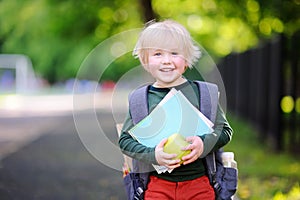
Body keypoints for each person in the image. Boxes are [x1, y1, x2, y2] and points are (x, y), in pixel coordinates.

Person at [118, 19, 233, 200]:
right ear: (145, 61)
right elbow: (125, 140)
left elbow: (225, 131)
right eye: (157, 54)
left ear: (186, 60)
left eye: (174, 53)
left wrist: (203, 144)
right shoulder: (141, 100)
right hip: (157, 185)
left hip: (200, 183)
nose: (167, 61)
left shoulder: (203, 94)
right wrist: (153, 155)